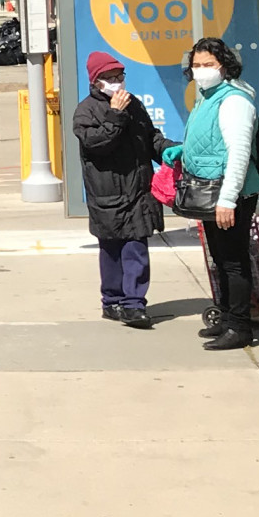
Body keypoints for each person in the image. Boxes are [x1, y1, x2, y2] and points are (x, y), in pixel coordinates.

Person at [165, 35, 259, 351]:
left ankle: (239, 326)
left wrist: (228, 200)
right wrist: (184, 150)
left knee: (233, 261)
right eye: (196, 65)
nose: (201, 70)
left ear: (225, 66)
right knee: (219, 259)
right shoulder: (209, 97)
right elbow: (209, 140)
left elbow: (238, 152)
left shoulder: (233, 99)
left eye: (209, 64)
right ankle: (225, 317)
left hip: (228, 194)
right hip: (211, 191)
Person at [72, 49, 162, 328]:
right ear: (96, 81)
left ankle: (134, 304)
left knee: (136, 247)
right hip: (107, 194)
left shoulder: (133, 104)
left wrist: (169, 151)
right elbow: (97, 144)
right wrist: (116, 115)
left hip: (138, 190)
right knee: (111, 251)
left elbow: (150, 138)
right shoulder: (86, 111)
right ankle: (111, 301)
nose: (116, 82)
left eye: (119, 76)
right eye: (109, 77)